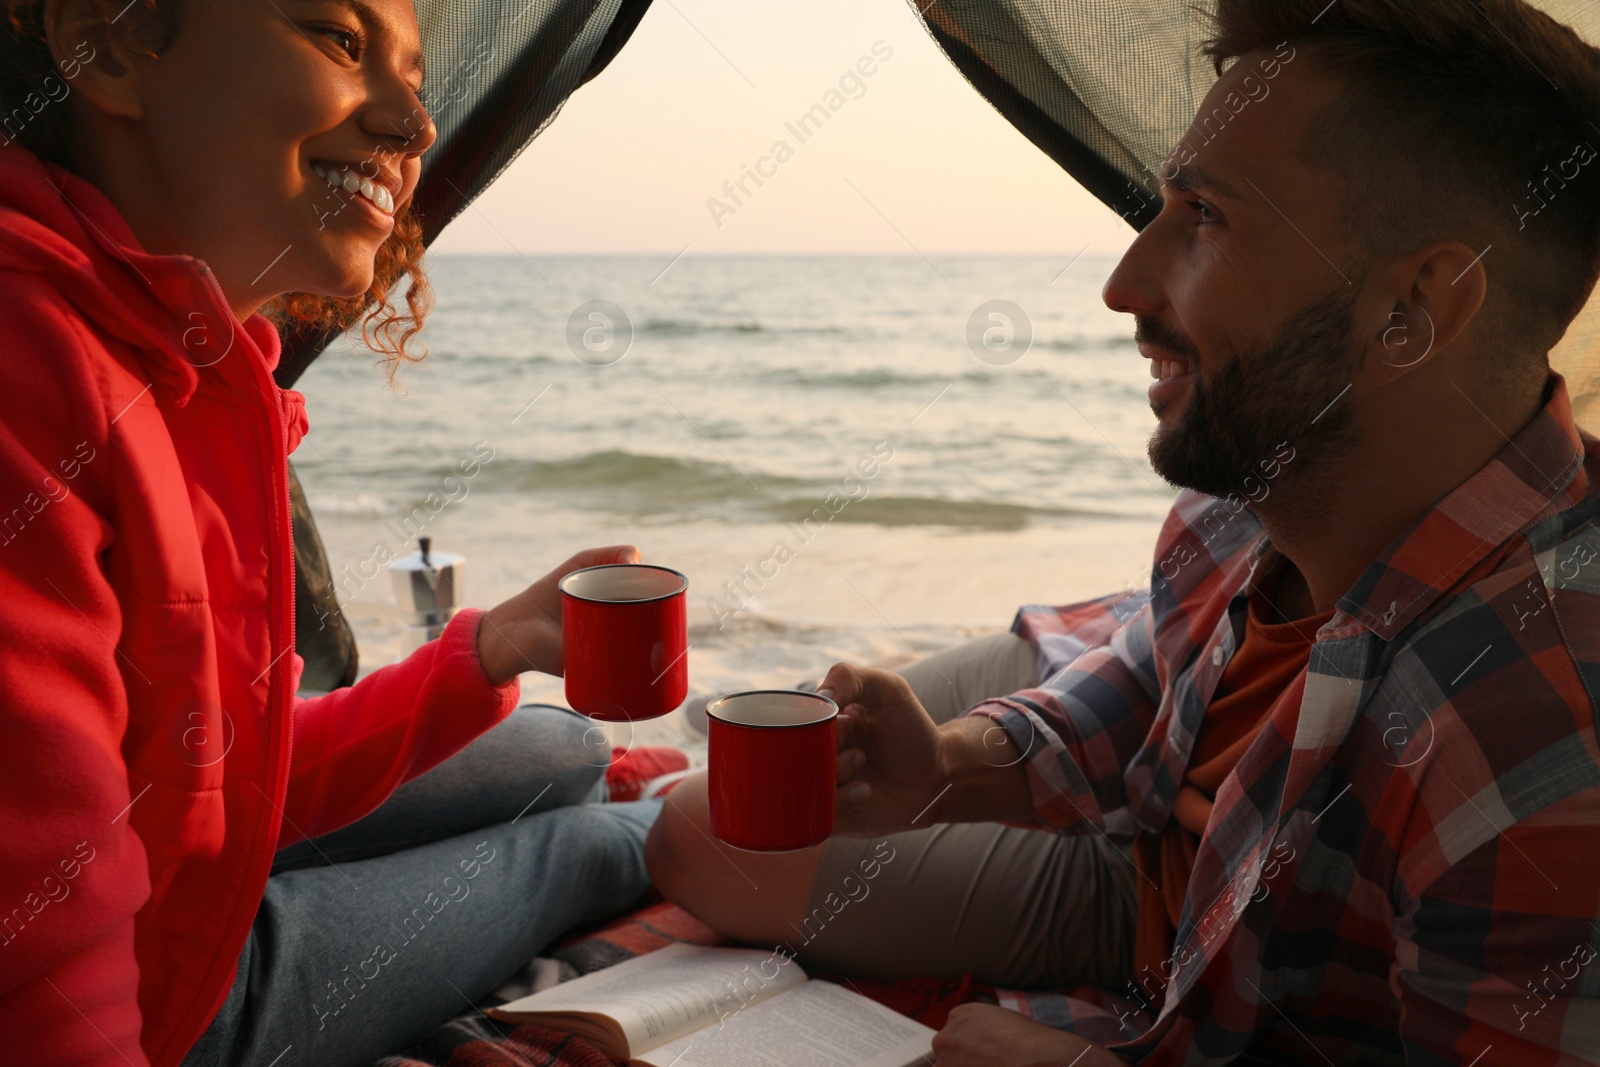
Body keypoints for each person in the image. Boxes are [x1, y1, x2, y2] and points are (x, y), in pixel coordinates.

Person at [646, 1, 1600, 1064]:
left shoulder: (1533, 753)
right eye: (1162, 203)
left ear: (1410, 310)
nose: (1122, 284)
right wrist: (949, 768)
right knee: (720, 810)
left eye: (1205, 216)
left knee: (686, 834)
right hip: (1126, 755)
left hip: (1165, 893)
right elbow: (1155, 674)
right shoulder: (1276, 475)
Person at [0, 0, 675, 1063]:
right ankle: (662, 834)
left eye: (413, 73)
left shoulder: (179, 360)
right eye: (340, 40)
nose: (415, 124)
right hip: (161, 998)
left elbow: (215, 774)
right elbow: (47, 967)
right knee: (594, 842)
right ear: (113, 41)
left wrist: (490, 647)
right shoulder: (31, 366)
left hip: (175, 878)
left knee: (568, 744)